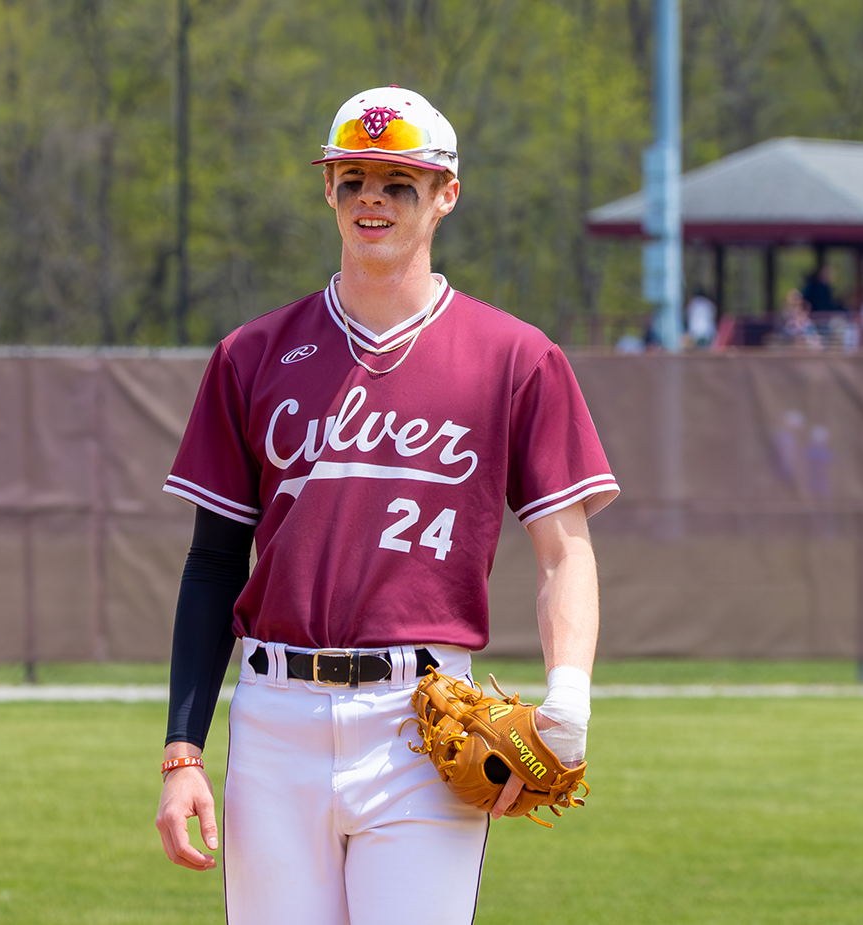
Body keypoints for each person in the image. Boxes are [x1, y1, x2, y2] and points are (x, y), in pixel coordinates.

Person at [153, 85, 618, 925]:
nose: (372, 198)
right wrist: (183, 748)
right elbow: (214, 560)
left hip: (422, 724)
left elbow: (565, 551)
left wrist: (569, 700)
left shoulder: (515, 357)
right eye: (352, 178)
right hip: (274, 717)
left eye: (399, 182)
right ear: (327, 190)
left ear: (445, 196)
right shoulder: (252, 354)